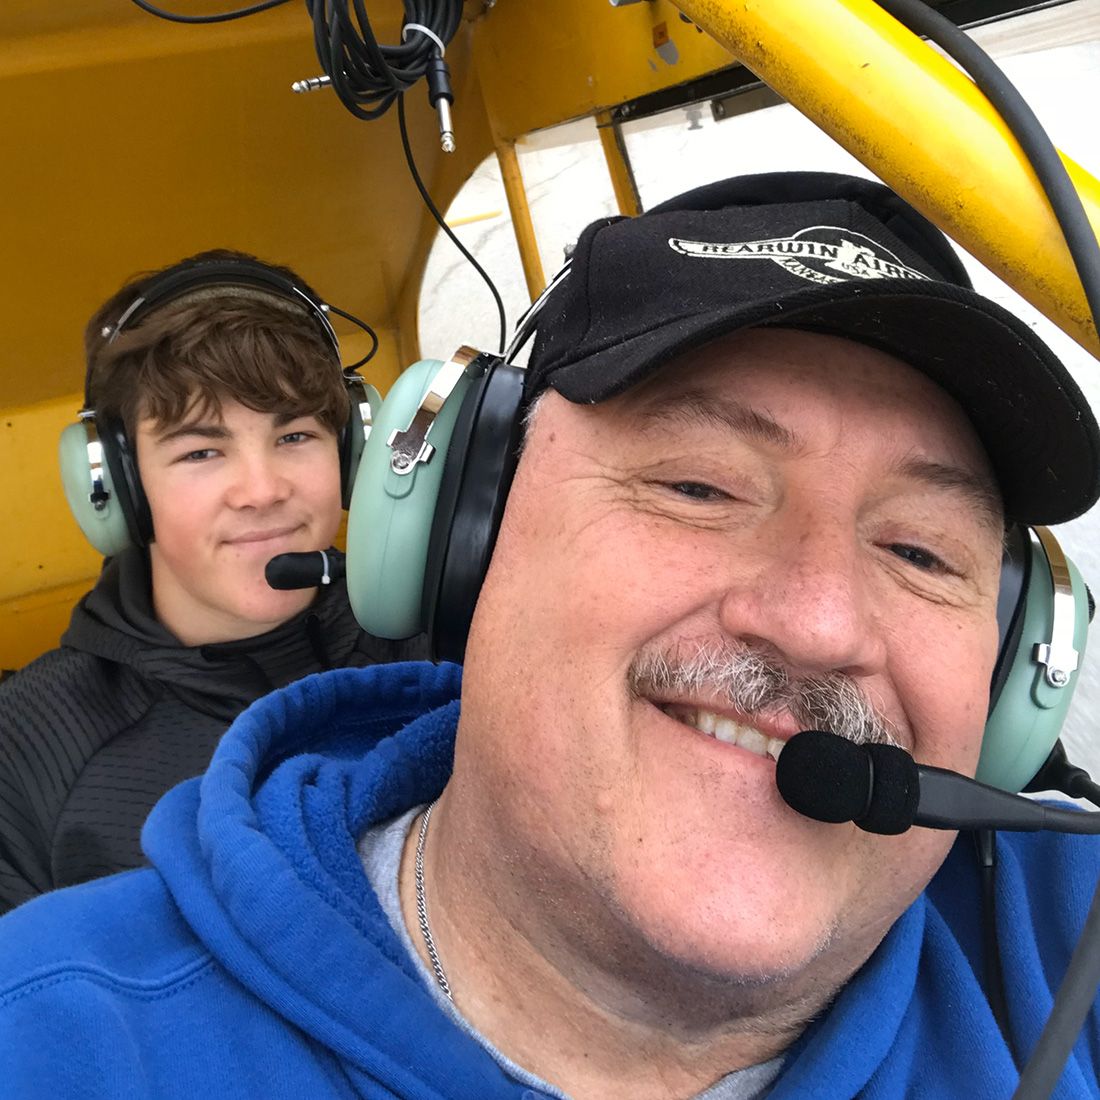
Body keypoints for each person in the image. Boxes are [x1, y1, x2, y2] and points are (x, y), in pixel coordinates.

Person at [1, 173, 1099, 1098]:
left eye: (918, 551)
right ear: (457, 533)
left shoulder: (1063, 935)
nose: (817, 620)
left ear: (1011, 670)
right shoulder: (49, 1034)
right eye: (697, 484)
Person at [0, 250, 426, 914]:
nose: (261, 490)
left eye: (294, 436)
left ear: (351, 452)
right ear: (116, 487)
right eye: (201, 451)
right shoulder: (28, 748)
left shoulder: (444, 644)